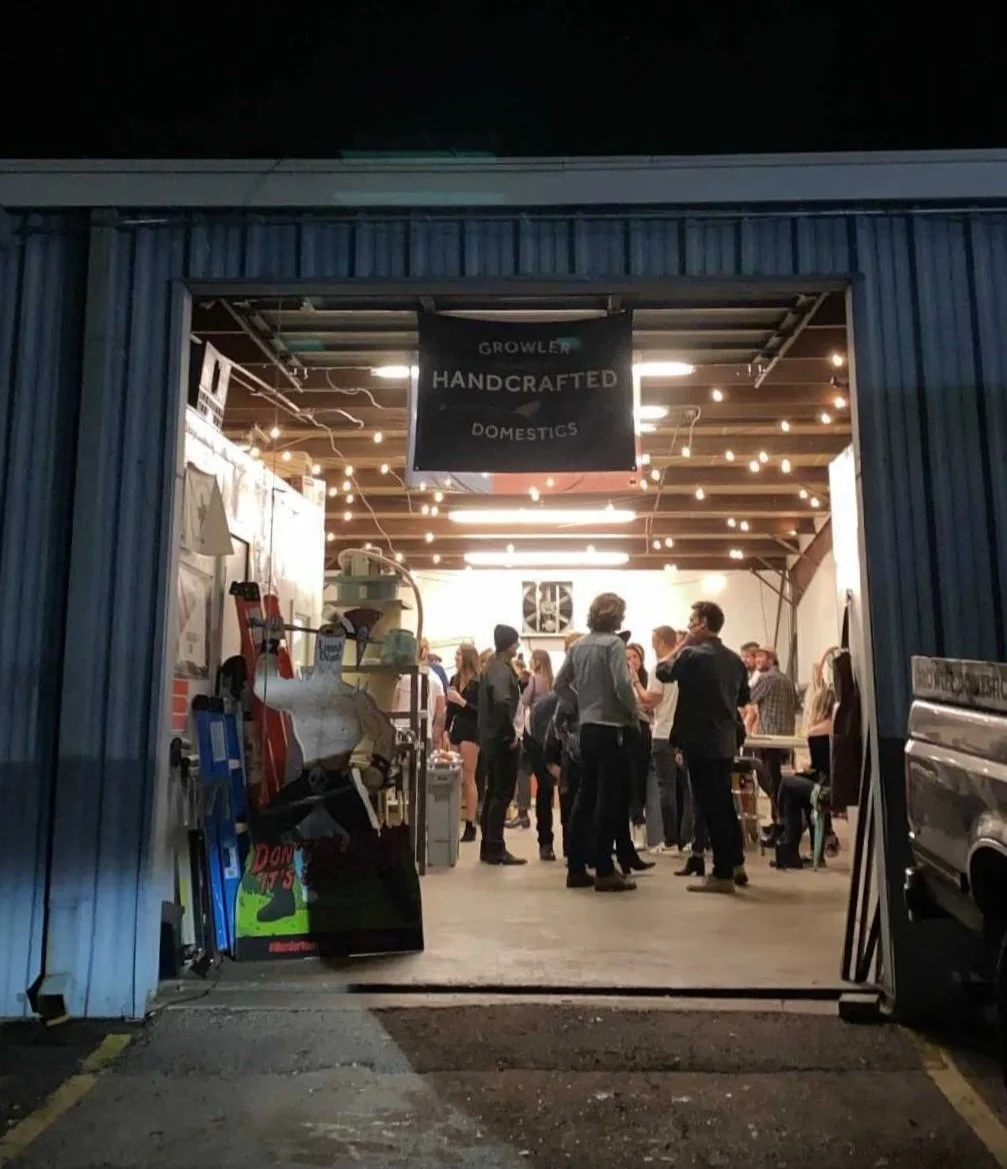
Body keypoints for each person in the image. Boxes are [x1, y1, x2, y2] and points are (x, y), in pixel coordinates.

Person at [657, 600, 749, 894]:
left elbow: (662, 671)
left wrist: (681, 645)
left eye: (692, 621)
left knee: (711, 807)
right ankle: (736, 863)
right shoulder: (734, 660)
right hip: (726, 740)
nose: (688, 626)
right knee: (724, 803)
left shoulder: (692, 655)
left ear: (704, 624)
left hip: (699, 739)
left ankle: (722, 873)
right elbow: (743, 698)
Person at [554, 593, 640, 893]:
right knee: (609, 799)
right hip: (612, 728)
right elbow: (621, 684)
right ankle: (604, 870)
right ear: (616, 617)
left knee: (585, 797)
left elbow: (559, 684)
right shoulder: (614, 644)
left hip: (587, 728)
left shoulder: (577, 646)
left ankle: (576, 869)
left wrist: (581, 704)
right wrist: (633, 712)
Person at [478, 624, 526, 866]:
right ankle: (496, 847)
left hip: (490, 737)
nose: (517, 646)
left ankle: (488, 846)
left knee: (493, 792)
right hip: (501, 740)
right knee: (502, 793)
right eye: (515, 642)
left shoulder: (493, 666)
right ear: (509, 645)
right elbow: (501, 702)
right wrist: (509, 735)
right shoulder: (501, 670)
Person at [646, 626, 689, 854]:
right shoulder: (686, 668)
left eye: (654, 641)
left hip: (663, 734)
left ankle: (670, 840)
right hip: (684, 734)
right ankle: (688, 839)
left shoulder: (659, 668)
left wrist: (635, 685)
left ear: (661, 641)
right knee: (686, 790)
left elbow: (652, 699)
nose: (652, 645)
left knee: (666, 789)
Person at [746, 648, 798, 821]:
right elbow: (796, 704)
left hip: (769, 738)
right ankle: (782, 816)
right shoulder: (787, 680)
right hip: (786, 737)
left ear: (771, 659)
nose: (757, 660)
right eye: (756, 656)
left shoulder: (766, 679)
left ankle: (781, 816)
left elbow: (748, 697)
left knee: (769, 780)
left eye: (761, 656)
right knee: (776, 779)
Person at [509, 649, 555, 830]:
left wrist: (524, 684)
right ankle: (546, 810)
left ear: (537, 661)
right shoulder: (553, 681)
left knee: (523, 770)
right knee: (545, 775)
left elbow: (525, 700)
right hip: (548, 731)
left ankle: (522, 811)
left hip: (532, 729)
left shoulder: (535, 680)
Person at [445, 644, 481, 843]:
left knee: (468, 776)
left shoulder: (478, 682)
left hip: (471, 730)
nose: (456, 657)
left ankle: (471, 823)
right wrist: (445, 730)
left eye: (459, 654)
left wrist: (462, 701)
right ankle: (452, 819)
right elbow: (450, 709)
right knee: (454, 776)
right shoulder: (454, 679)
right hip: (456, 730)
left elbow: (480, 712)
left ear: (467, 657)